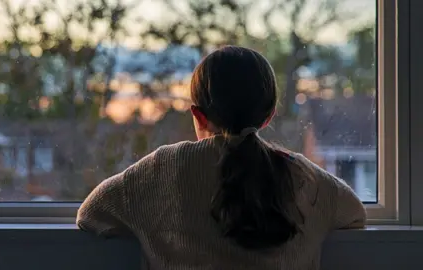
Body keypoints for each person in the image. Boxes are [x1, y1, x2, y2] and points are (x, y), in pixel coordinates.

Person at [77, 46, 366, 269]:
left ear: (198, 115)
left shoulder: (165, 168)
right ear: (268, 117)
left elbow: (92, 213)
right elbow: (354, 213)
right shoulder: (303, 177)